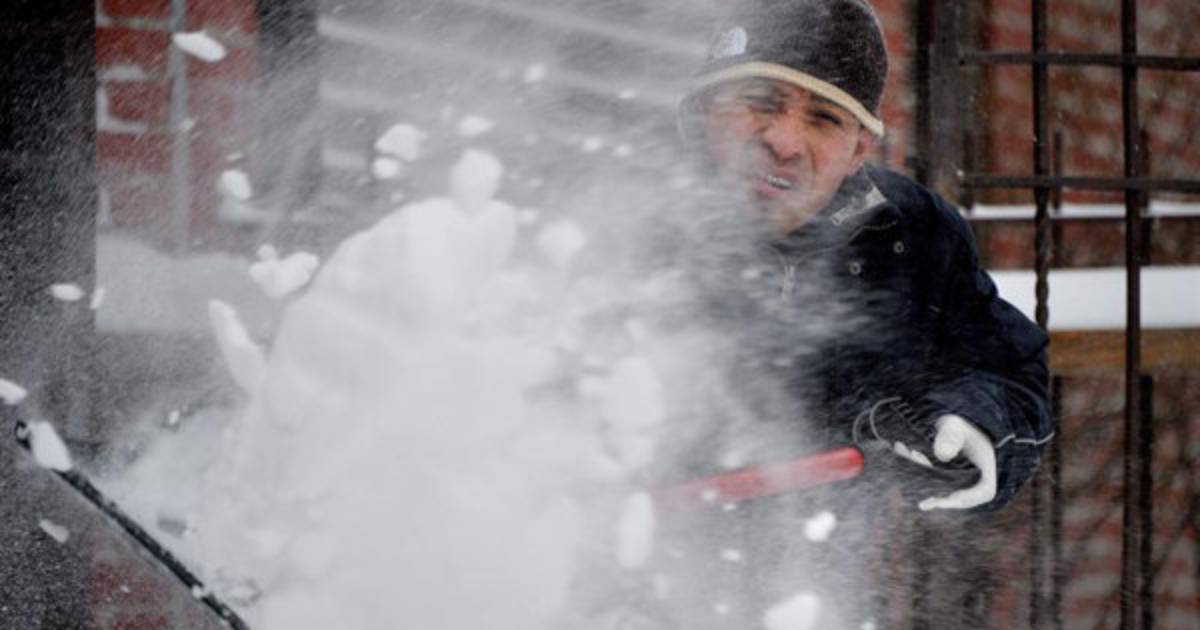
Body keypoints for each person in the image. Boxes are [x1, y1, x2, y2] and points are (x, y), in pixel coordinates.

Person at [642, 0, 1056, 626]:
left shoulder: (910, 235)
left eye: (824, 118)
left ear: (860, 148)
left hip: (811, 600)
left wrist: (970, 423)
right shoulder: (619, 220)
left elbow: (1008, 375)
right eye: (761, 101)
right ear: (705, 111)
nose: (784, 141)